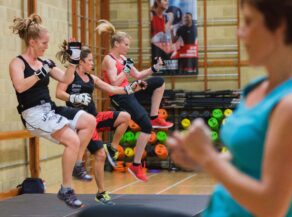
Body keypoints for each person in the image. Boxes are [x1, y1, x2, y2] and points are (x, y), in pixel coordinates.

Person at [167, 0, 292, 216]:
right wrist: (198, 156)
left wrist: (209, 158)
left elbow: (272, 208)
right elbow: (247, 158)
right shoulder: (256, 88)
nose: (240, 33)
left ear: (279, 26)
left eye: (248, 22)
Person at [9, 14, 96, 208]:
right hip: (33, 114)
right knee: (72, 140)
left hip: (50, 108)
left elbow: (66, 80)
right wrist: (40, 72)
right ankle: (66, 189)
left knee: (89, 121)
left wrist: (73, 61)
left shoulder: (45, 62)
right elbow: (20, 86)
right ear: (32, 42)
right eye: (44, 43)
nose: (46, 46)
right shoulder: (18, 63)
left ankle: (77, 164)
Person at [56, 44, 144, 205]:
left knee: (125, 116)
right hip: (82, 124)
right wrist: (73, 98)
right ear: (81, 62)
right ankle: (101, 193)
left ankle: (112, 148)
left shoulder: (92, 78)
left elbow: (112, 88)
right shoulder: (69, 76)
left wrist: (132, 88)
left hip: (95, 118)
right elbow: (59, 93)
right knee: (100, 155)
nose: (92, 63)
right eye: (89, 61)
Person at [96, 19, 174, 182]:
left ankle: (154, 117)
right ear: (117, 43)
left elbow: (138, 75)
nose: (128, 47)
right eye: (126, 44)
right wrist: (125, 70)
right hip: (119, 96)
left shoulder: (123, 58)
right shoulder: (108, 60)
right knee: (145, 126)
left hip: (131, 90)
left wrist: (154, 68)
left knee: (159, 82)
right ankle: (136, 165)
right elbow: (114, 83)